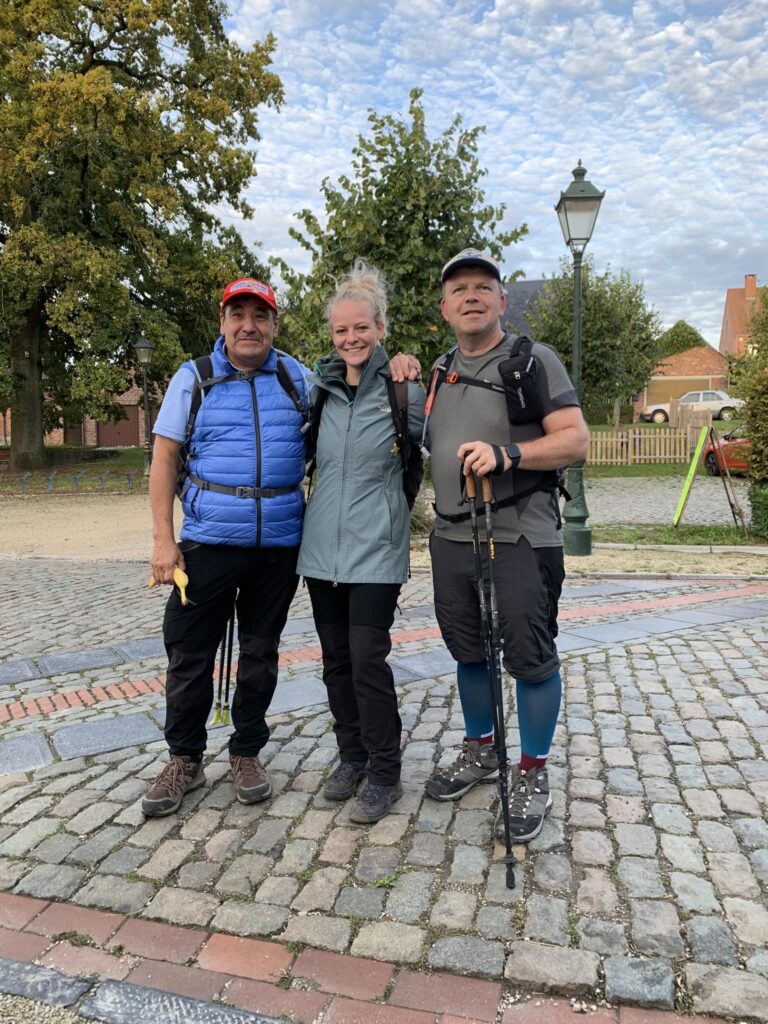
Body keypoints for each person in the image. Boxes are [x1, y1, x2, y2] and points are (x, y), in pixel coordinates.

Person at [418, 247, 589, 842]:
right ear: (444, 308)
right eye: (459, 289)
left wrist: (509, 454)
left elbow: (574, 440)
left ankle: (534, 770)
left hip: (520, 535)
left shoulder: (532, 361)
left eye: (482, 287)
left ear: (501, 300)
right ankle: (481, 751)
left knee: (529, 655)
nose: (471, 296)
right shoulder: (438, 372)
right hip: (450, 537)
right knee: (469, 651)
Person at [142, 278, 309, 817]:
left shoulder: (295, 377)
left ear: (274, 325)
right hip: (208, 544)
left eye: (259, 316)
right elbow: (165, 458)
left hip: (278, 545)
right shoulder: (194, 379)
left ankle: (246, 751)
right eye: (237, 315)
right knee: (189, 655)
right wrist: (164, 540)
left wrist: (395, 364)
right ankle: (185, 758)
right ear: (222, 324)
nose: (248, 326)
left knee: (260, 653)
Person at [297, 260, 425, 823]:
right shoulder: (319, 390)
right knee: (334, 662)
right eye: (340, 330)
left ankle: (384, 771)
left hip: (377, 546)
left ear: (379, 329)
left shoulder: (403, 390)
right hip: (321, 545)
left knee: (368, 660)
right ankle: (350, 756)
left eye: (361, 328)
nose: (351, 338)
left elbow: (439, 446)